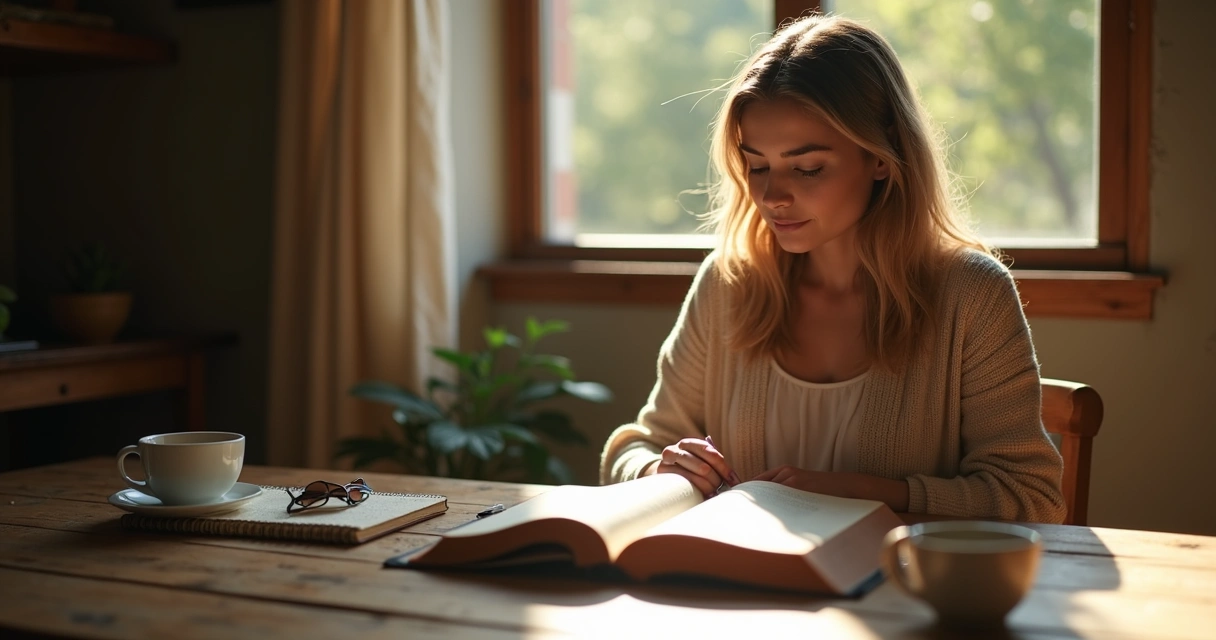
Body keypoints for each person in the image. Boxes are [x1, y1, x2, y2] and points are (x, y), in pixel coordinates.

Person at [599, 14, 1066, 523]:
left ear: (882, 157)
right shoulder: (729, 285)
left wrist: (869, 492)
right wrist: (657, 472)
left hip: (898, 597)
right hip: (741, 592)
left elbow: (1033, 499)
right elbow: (635, 449)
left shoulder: (971, 295)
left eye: (808, 168)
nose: (773, 196)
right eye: (757, 165)